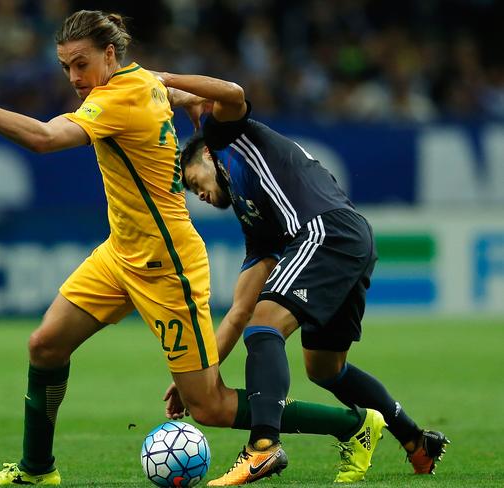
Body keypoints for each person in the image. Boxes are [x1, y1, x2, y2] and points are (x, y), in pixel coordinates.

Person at [0, 10, 383, 486]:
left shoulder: (121, 97)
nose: (74, 77)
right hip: (120, 252)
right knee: (45, 346)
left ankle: (353, 425)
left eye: (81, 64)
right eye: (65, 67)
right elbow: (178, 95)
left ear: (109, 54)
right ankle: (37, 470)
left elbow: (44, 139)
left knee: (208, 405)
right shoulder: (141, 83)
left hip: (167, 265)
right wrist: (189, 104)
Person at [155, 71, 450, 486]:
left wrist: (168, 83)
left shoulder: (224, 139)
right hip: (350, 240)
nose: (197, 194)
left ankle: (262, 447)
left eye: (192, 182)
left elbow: (234, 92)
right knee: (326, 369)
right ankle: (416, 440)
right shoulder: (256, 220)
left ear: (204, 157)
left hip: (325, 231)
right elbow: (238, 311)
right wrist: (197, 373)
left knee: (266, 325)